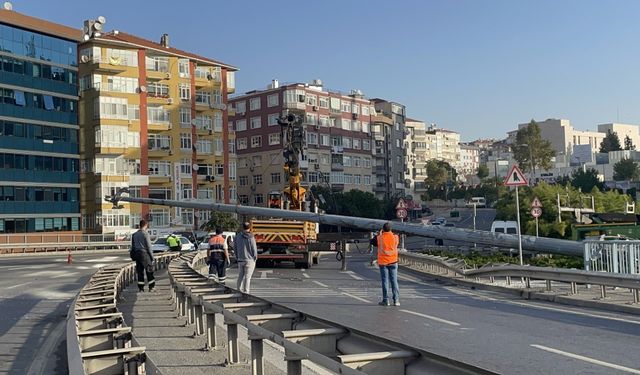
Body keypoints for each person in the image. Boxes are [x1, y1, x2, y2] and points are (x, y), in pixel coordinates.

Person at [371, 222, 400, 306]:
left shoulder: (379, 238)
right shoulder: (395, 237)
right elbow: (395, 244)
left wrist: (378, 234)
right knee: (394, 281)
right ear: (391, 229)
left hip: (383, 262)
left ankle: (386, 300)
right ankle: (396, 300)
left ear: (383, 229)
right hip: (393, 262)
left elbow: (372, 242)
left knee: (385, 281)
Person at [131, 219, 155, 292]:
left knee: (140, 272)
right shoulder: (145, 234)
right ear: (145, 225)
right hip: (144, 254)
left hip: (137, 254)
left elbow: (133, 246)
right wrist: (152, 257)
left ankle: (141, 288)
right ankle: (151, 287)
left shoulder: (134, 235)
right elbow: (149, 246)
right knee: (149, 271)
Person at [234, 222, 257, 293]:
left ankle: (238, 290)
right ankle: (246, 292)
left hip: (240, 259)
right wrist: (255, 257)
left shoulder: (237, 236)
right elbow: (254, 248)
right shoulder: (251, 237)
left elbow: (235, 248)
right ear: (249, 227)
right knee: (247, 277)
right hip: (249, 260)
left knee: (240, 275)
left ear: (242, 227)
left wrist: (237, 257)